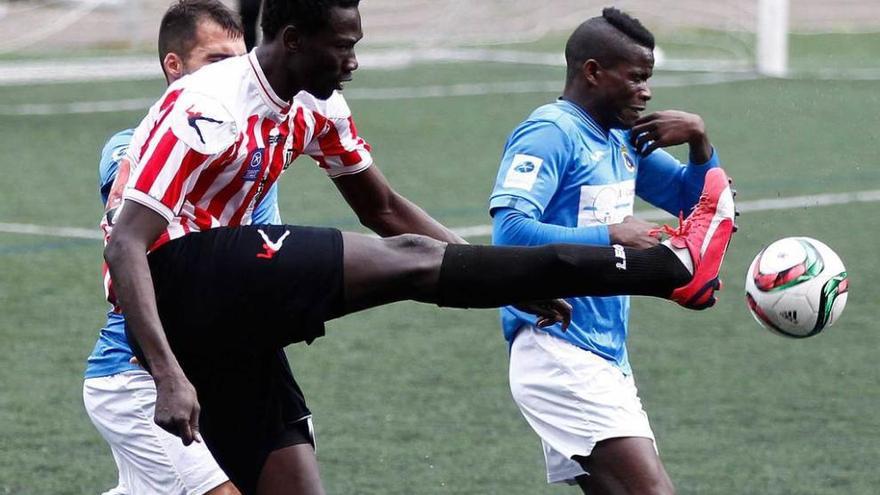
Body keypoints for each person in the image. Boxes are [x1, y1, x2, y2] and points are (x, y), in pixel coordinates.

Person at [102, 1, 736, 493]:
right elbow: (127, 244)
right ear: (293, 41)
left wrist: (505, 281)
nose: (353, 61)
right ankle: (664, 268)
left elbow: (383, 206)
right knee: (407, 261)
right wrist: (165, 374)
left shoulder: (319, 108)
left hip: (235, 326)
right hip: (180, 281)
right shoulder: (204, 103)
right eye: (343, 47)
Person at [489, 8, 733, 494]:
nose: (647, 92)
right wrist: (610, 234)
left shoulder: (622, 139)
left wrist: (700, 142)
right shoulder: (551, 132)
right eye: (637, 78)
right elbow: (510, 233)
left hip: (603, 353)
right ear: (593, 72)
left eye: (650, 79)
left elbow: (698, 201)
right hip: (558, 349)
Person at [82, 2, 254, 494]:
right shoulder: (132, 146)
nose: (232, 78)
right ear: (174, 67)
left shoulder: (254, 154)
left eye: (238, 64)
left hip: (213, 370)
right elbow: (129, 230)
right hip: (137, 374)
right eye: (216, 62)